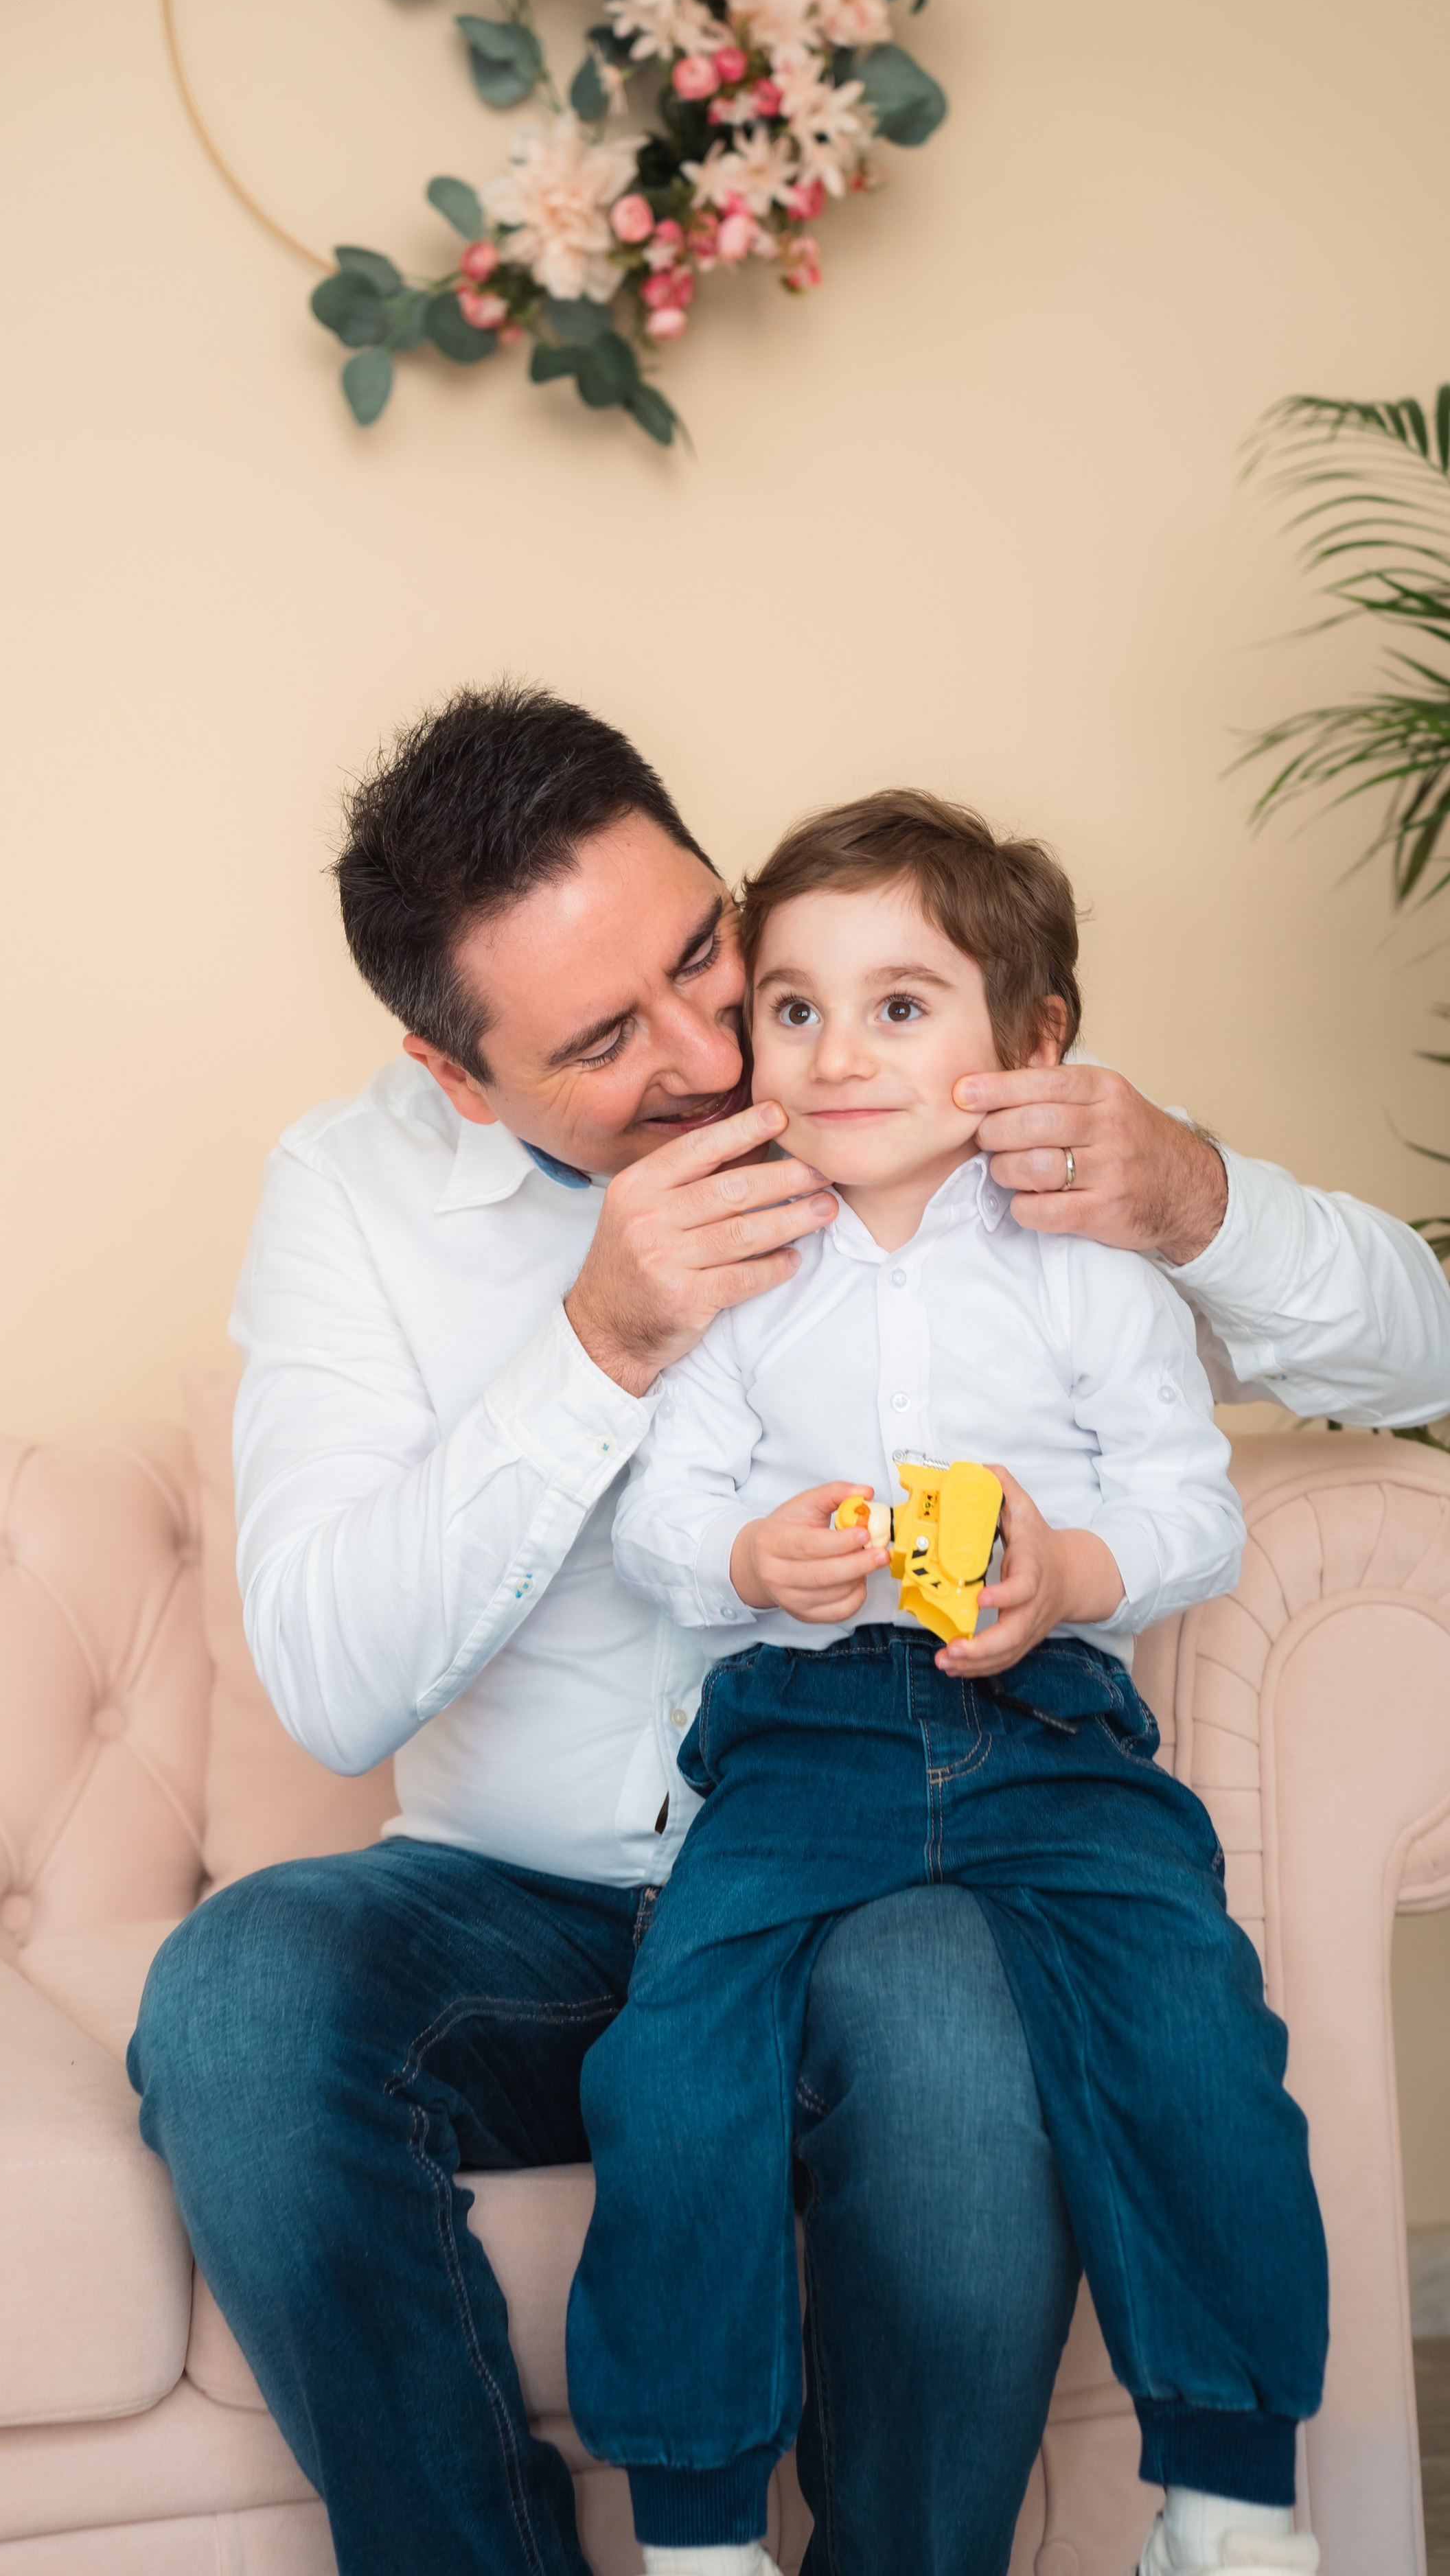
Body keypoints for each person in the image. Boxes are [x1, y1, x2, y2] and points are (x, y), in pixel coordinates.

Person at [127, 685, 1450, 2576]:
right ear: (455, 1073)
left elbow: (1417, 1348)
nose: (709, 1051)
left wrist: (1201, 1199)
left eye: (702, 955)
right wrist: (601, 1341)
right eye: (604, 1037)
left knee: (952, 2027)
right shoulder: (352, 1197)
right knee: (241, 1994)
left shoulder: (915, 1093)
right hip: (528, 1899)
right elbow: (333, 1685)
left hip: (901, 1855)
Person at [566, 791, 1328, 2576]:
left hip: (1052, 1730)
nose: (836, 1052)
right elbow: (664, 1518)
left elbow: (1185, 1507)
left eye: (901, 1004)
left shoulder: (1090, 1267)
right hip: (803, 1740)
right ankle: (695, 2530)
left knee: (1196, 2025)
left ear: (1030, 1041)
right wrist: (753, 1560)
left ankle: (1227, 2497)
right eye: (798, 1006)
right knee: (673, 2053)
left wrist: (1066, 1573)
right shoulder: (741, 1271)